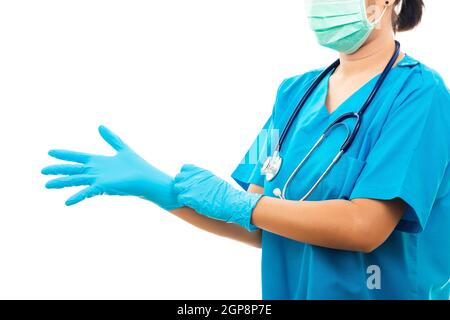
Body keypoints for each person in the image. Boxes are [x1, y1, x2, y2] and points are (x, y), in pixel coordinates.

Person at [42, 0, 450, 299]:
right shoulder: (293, 96)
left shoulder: (419, 94)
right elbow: (255, 222)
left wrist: (242, 206)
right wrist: (162, 189)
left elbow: (365, 226)